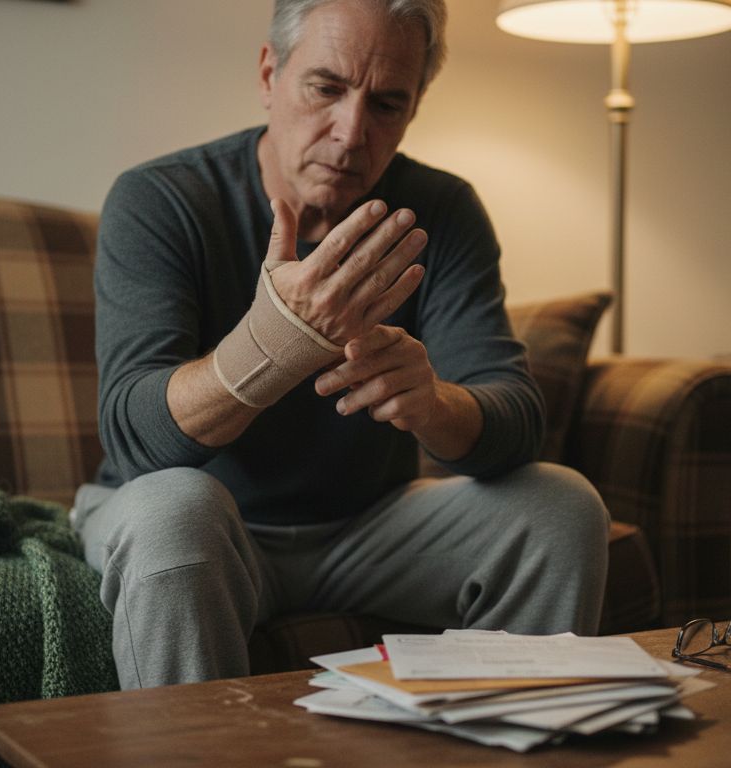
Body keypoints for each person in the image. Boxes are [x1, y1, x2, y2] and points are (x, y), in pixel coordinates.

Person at [74, 0, 609, 690]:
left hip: (366, 526)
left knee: (560, 508)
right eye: (325, 88)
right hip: (203, 519)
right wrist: (277, 341)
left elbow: (515, 421)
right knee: (176, 511)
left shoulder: (440, 210)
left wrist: (433, 404)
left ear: (417, 105)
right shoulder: (161, 199)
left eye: (388, 103)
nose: (352, 132)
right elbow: (134, 439)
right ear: (270, 74)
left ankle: (512, 739)